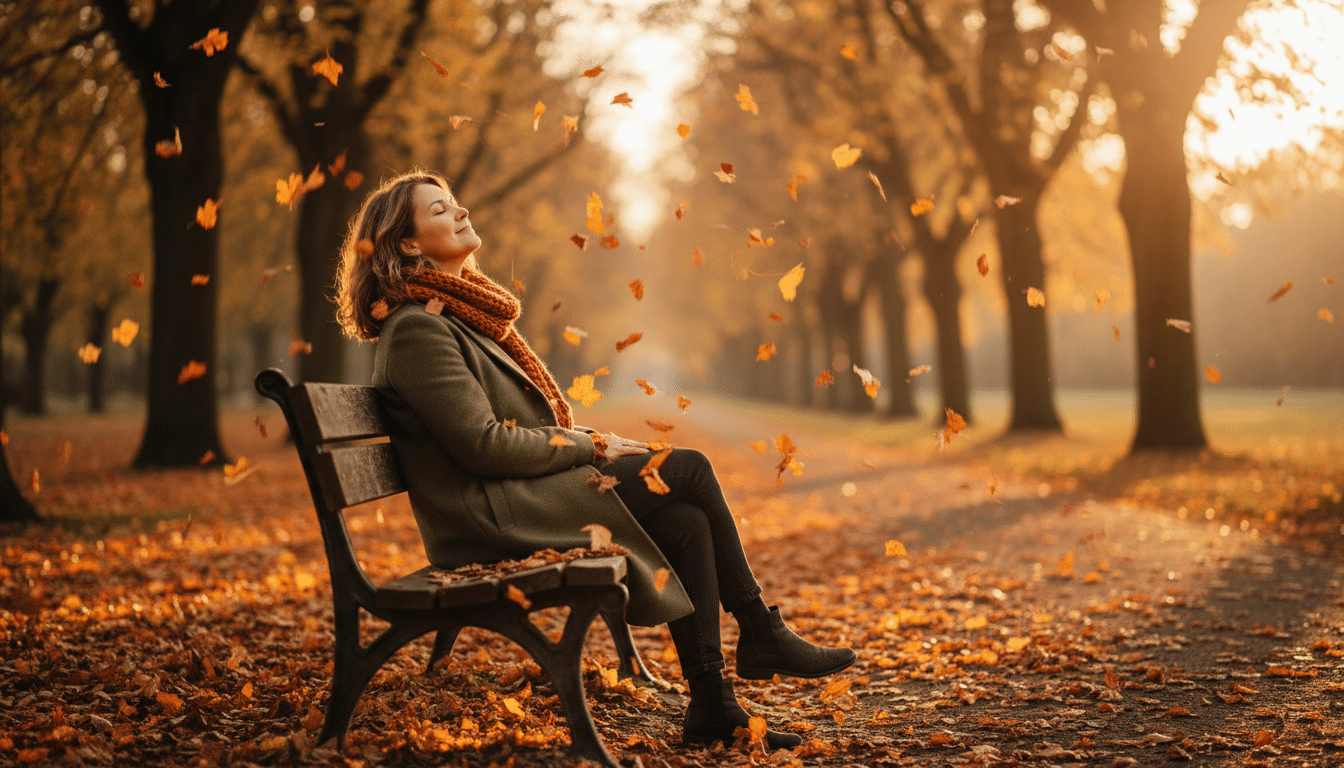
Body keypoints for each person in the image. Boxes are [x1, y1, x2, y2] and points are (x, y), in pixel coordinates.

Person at [334, 170, 855, 749]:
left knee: (685, 521)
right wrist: (597, 446)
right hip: (491, 515)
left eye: (455, 201)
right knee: (687, 468)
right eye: (438, 210)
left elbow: (522, 430)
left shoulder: (459, 318)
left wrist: (596, 439)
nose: (459, 212)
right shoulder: (418, 330)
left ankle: (712, 702)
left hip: (516, 497)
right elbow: (484, 446)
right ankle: (760, 629)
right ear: (407, 244)